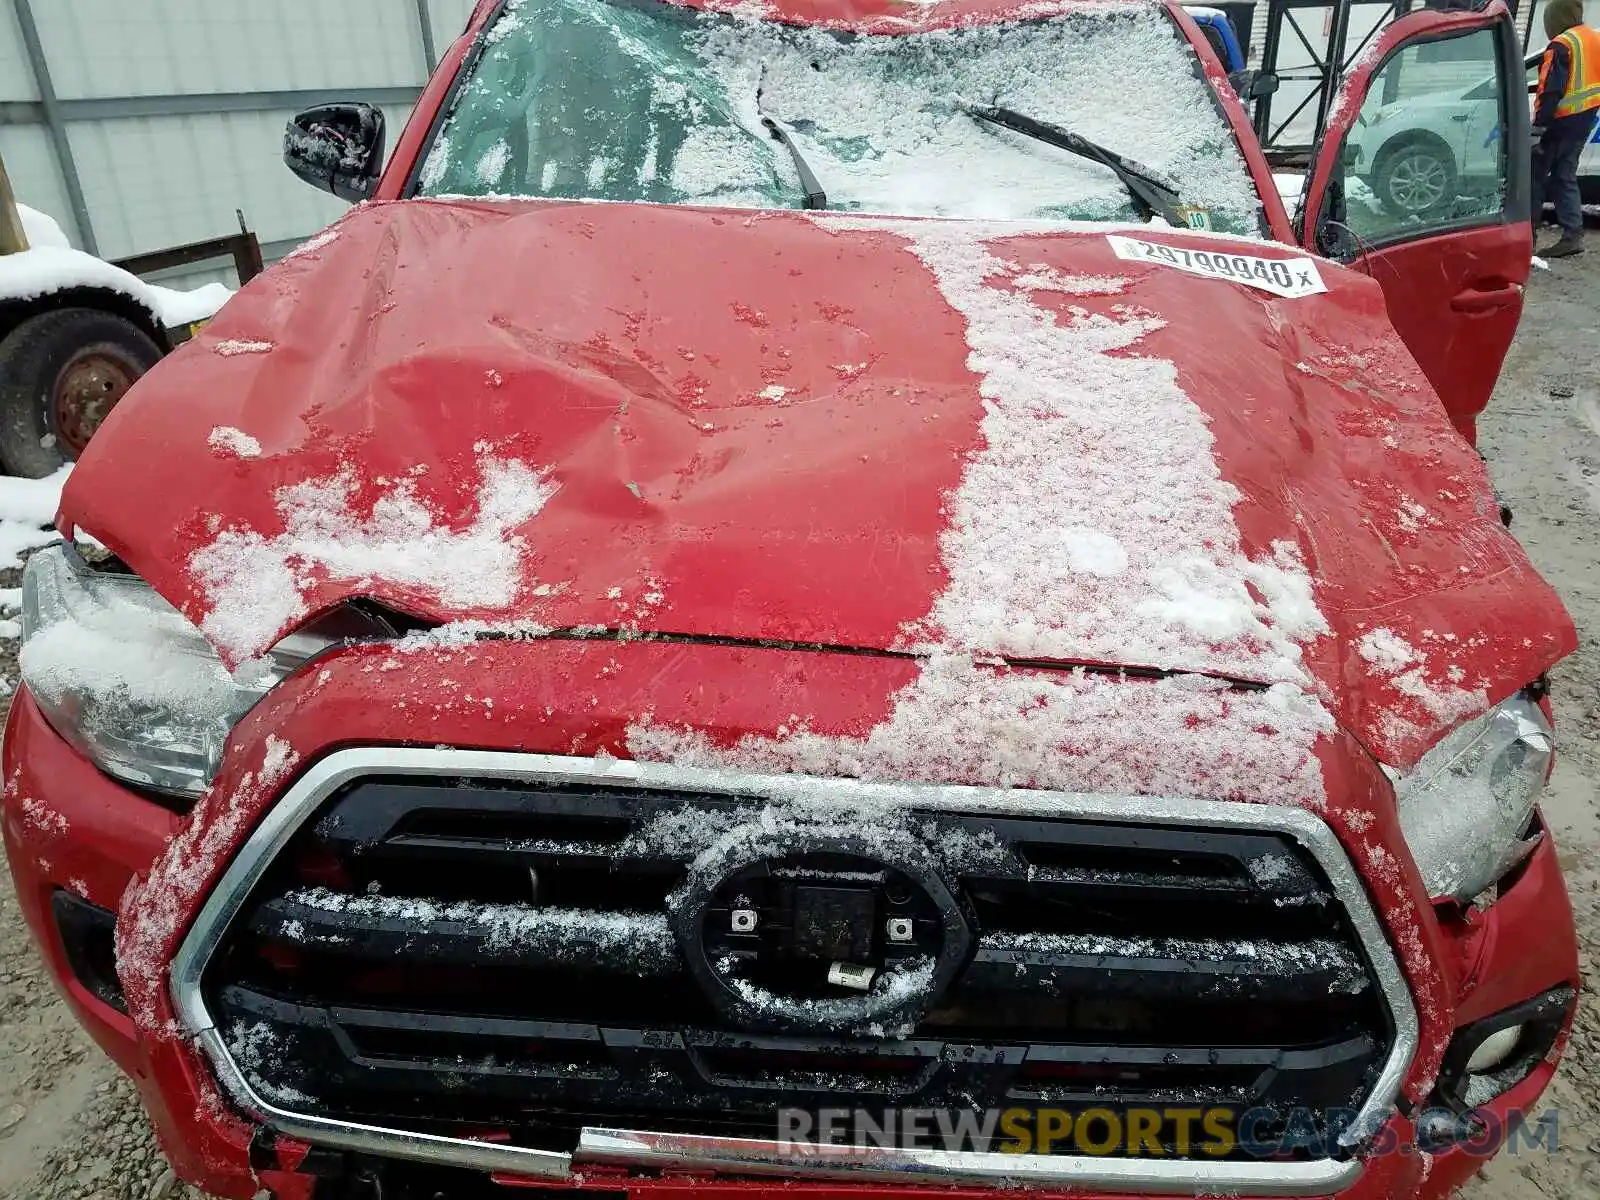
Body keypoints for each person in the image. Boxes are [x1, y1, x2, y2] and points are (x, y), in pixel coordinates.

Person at [1531, 0, 1600, 258]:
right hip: (1585, 119)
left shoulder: (1561, 45)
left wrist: (1538, 128)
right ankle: (1573, 235)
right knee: (1564, 174)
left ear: (1556, 19)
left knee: (1534, 177)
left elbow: (1550, 90)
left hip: (1560, 122)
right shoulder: (1592, 38)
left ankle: (1528, 237)